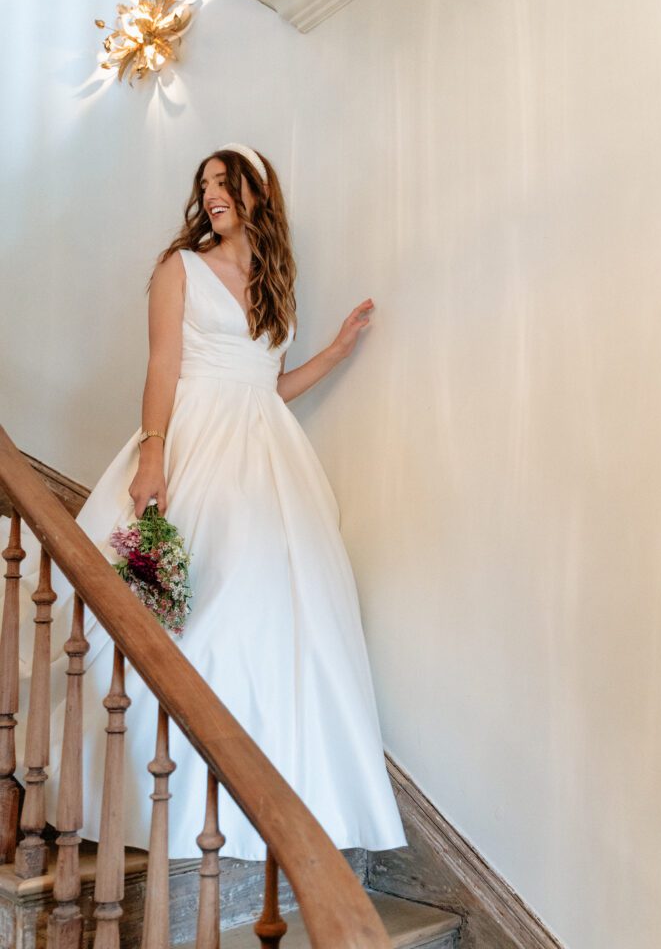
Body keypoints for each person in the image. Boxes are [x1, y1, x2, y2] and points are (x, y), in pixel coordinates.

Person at [4, 142, 408, 861]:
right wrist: (154, 451)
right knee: (178, 602)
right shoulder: (179, 267)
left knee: (277, 600)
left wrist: (338, 351)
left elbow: (266, 386)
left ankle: (280, 794)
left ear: (258, 191)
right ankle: (150, 790)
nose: (212, 193)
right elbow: (164, 363)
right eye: (205, 184)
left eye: (225, 182)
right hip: (195, 441)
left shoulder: (276, 282)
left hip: (268, 454)